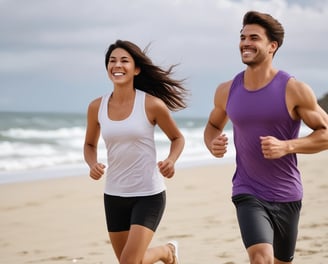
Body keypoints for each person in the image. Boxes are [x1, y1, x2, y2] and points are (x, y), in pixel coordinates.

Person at [204, 10, 328, 264]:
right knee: (261, 258)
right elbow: (213, 124)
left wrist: (287, 146)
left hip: (287, 193)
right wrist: (211, 143)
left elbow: (325, 133)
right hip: (247, 190)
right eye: (242, 37)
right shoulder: (227, 90)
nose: (245, 43)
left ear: (272, 46)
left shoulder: (294, 89)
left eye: (254, 38)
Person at [84, 40, 188, 264]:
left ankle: (166, 252)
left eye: (124, 60)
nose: (117, 65)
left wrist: (171, 160)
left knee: (129, 262)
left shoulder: (151, 104)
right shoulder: (96, 107)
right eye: (112, 61)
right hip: (114, 195)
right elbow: (89, 145)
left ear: (136, 69)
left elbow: (177, 138)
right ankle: (167, 252)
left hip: (148, 194)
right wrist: (92, 164)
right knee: (130, 262)